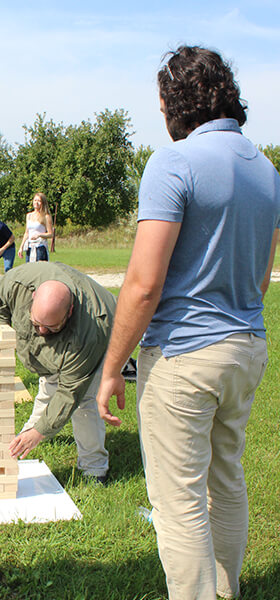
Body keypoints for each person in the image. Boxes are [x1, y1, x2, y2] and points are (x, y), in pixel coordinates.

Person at [96, 46, 280, 600]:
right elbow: (264, 275)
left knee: (177, 503)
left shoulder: (173, 162)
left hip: (184, 355)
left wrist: (112, 367)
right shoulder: (268, 171)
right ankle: (228, 591)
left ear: (177, 102)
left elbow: (144, 284)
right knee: (226, 480)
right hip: (246, 347)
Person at [0, 262, 114, 482]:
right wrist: (1, 324)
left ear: (69, 312)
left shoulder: (88, 333)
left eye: (51, 328)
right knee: (50, 384)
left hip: (107, 333)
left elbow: (71, 392)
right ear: (32, 299)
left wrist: (40, 431)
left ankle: (94, 468)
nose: (41, 332)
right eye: (37, 323)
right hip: (64, 324)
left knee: (85, 402)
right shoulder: (16, 283)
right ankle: (31, 434)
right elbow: (1, 299)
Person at [18, 192, 53, 263]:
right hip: (30, 247)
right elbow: (27, 233)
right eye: (35, 200)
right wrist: (21, 247)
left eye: (39, 201)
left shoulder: (46, 216)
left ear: (43, 203)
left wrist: (39, 235)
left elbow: (50, 234)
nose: (36, 203)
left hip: (40, 247)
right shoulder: (29, 215)